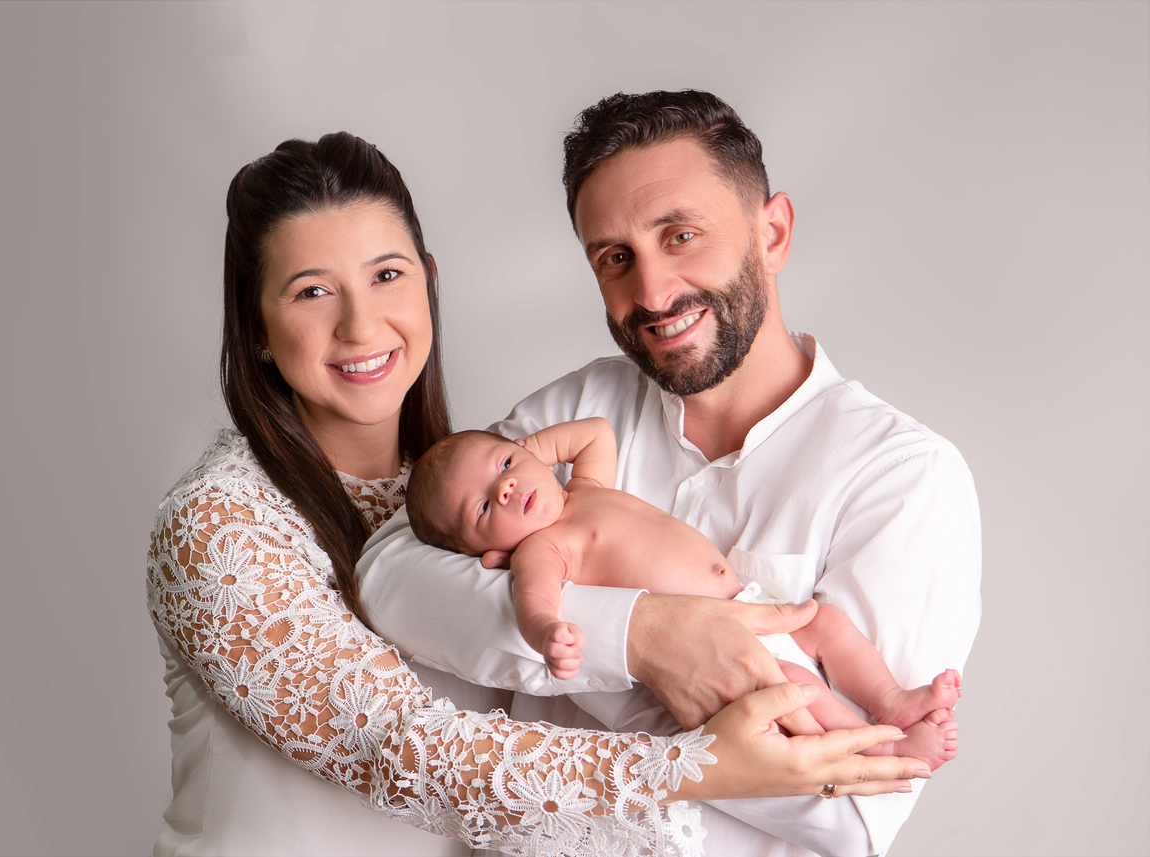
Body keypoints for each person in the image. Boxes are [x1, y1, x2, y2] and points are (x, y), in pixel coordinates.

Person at [146, 131, 928, 857]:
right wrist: (692, 748)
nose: (360, 324)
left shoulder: (465, 484)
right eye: (312, 291)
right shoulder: (218, 521)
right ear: (256, 326)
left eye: (386, 275)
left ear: (429, 281)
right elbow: (399, 751)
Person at [356, 90, 982, 857]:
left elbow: (853, 810)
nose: (651, 293)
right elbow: (390, 577)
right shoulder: (579, 405)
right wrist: (642, 639)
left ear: (773, 232)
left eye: (680, 235)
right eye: (614, 258)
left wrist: (620, 659)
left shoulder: (903, 475)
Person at [404, 419, 960, 774]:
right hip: (720, 645)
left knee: (828, 622)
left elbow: (596, 433)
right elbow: (534, 601)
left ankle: (890, 699)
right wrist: (549, 632)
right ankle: (881, 747)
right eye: (483, 507)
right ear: (483, 552)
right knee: (795, 687)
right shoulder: (542, 549)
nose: (505, 487)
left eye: (505, 466)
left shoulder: (584, 488)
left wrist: (530, 449)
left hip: (749, 601)